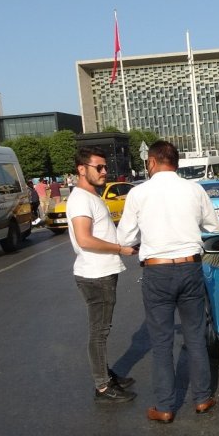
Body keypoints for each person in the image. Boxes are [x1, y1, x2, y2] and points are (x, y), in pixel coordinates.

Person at [117, 140, 219, 423]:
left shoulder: (138, 193)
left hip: (157, 271)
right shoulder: (194, 189)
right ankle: (202, 398)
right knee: (195, 336)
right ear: (176, 163)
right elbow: (214, 226)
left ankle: (164, 406)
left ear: (151, 162)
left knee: (161, 341)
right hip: (190, 267)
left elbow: (124, 238)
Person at [67, 146, 138, 404]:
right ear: (81, 169)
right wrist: (121, 249)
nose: (105, 171)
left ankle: (105, 375)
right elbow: (84, 239)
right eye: (99, 167)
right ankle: (103, 387)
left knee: (101, 330)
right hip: (96, 274)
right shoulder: (81, 199)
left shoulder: (91, 196)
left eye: (105, 167)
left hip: (101, 270)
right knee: (99, 332)